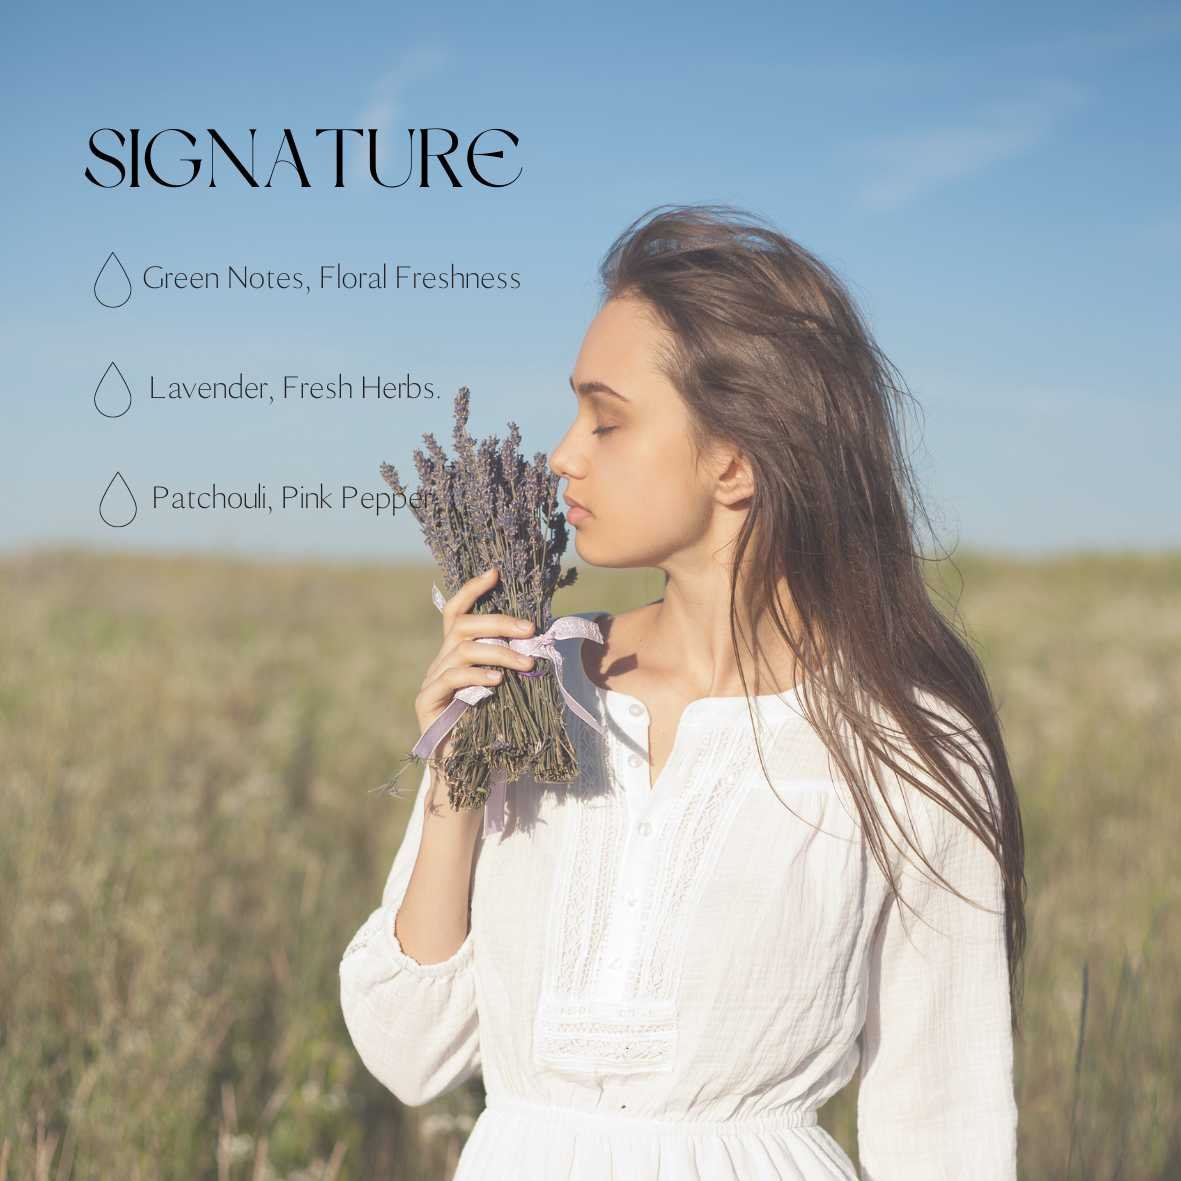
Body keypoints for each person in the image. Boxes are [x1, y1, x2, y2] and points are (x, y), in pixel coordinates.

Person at [339, 203, 1025, 1179]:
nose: (561, 454)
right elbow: (408, 1054)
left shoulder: (909, 746)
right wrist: (455, 777)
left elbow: (943, 1125)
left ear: (735, 461)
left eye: (606, 419)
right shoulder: (538, 686)